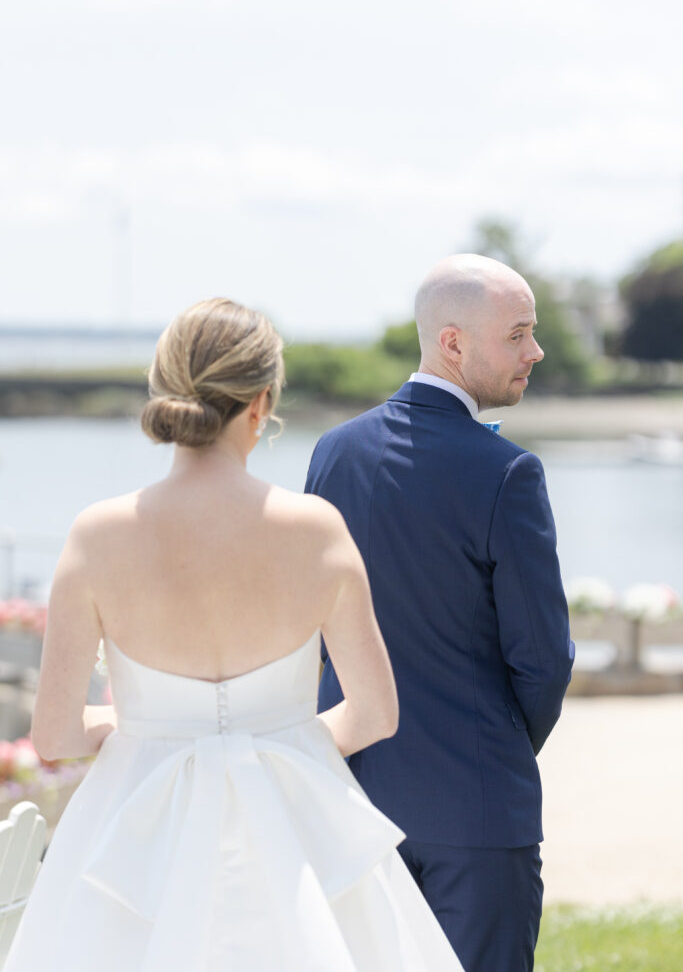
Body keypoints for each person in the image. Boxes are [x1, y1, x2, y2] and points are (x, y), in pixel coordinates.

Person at [5, 299, 464, 972]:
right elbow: (374, 713)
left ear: (165, 393)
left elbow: (55, 736)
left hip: (135, 831)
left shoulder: (97, 535)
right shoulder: (316, 529)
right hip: (295, 824)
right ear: (261, 401)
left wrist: (137, 728)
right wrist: (275, 742)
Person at [305, 254, 576, 972]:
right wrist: (496, 749)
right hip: (477, 813)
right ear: (453, 343)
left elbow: (317, 635)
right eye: (517, 334)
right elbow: (543, 660)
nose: (535, 352)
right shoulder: (507, 472)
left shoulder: (332, 454)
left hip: (352, 809)